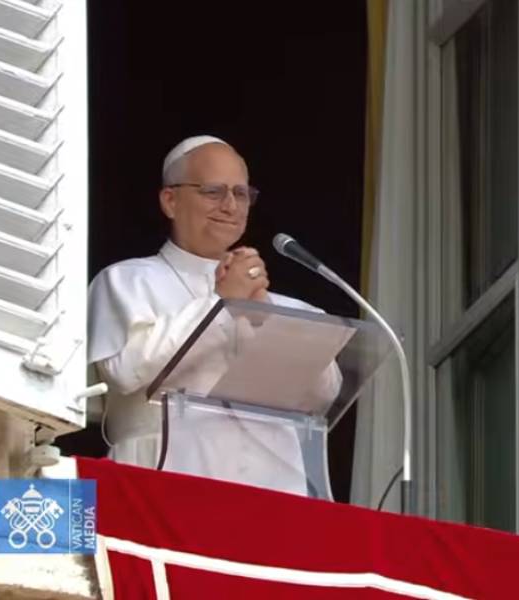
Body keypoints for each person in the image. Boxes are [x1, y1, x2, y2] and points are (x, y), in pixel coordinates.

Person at [88, 135, 335, 496]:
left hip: (275, 492)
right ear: (170, 200)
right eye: (213, 191)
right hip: (163, 480)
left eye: (240, 193)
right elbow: (125, 371)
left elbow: (323, 394)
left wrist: (260, 315)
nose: (230, 205)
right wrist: (220, 305)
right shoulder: (127, 280)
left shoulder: (291, 309)